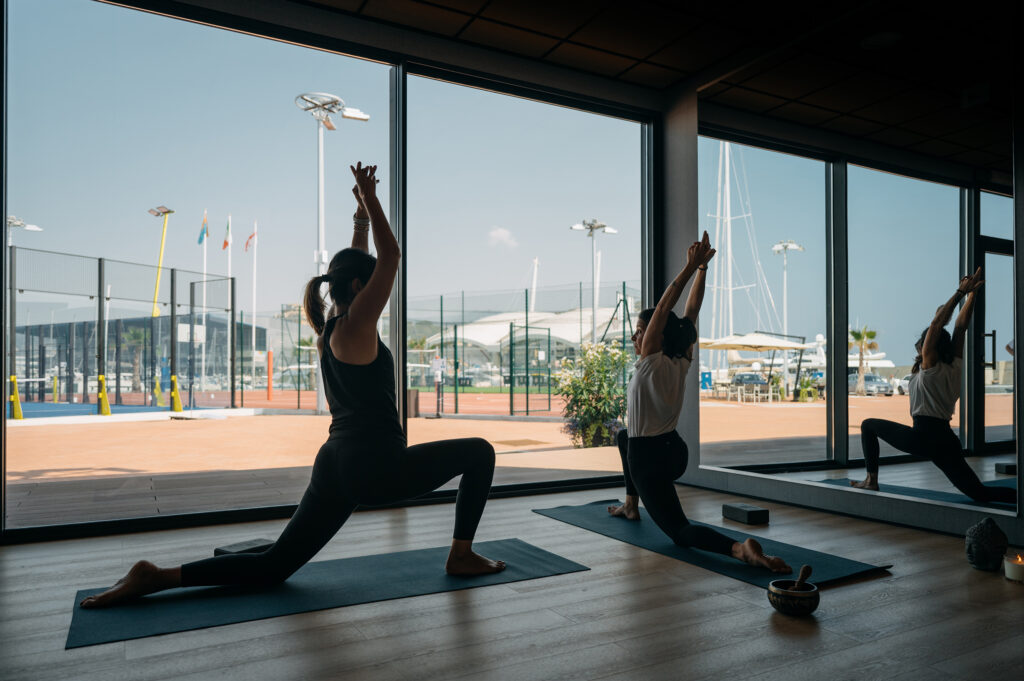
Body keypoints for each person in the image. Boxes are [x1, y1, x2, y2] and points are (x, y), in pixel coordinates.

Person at [81, 163, 504, 608]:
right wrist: (372, 199)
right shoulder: (358, 324)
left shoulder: (331, 327)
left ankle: (157, 576)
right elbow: (391, 257)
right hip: (375, 467)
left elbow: (359, 264)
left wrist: (360, 216)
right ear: (360, 287)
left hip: (335, 463)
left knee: (274, 566)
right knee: (480, 452)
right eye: (370, 281)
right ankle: (461, 554)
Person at [607, 231, 791, 573]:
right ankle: (631, 505)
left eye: (641, 330)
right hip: (675, 452)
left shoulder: (650, 358)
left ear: (655, 336)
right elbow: (691, 311)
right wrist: (703, 270)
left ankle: (740, 550)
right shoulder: (682, 357)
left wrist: (690, 265)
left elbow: (666, 306)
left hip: (648, 459)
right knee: (622, 434)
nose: (635, 336)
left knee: (680, 532)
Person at [852, 267, 1014, 504]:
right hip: (946, 439)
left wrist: (960, 292)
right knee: (981, 494)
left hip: (924, 436)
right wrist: (973, 296)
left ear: (929, 344)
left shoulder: (930, 363)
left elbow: (938, 324)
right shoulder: (954, 364)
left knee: (868, 425)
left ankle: (871, 480)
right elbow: (960, 328)